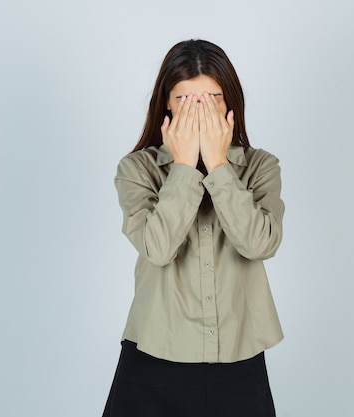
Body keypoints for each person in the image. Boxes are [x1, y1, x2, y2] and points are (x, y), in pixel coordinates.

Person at [102, 39, 285, 417]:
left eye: (211, 97)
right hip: (154, 356)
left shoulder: (260, 167)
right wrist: (184, 168)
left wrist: (219, 166)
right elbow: (157, 248)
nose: (198, 111)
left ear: (229, 102)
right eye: (186, 100)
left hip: (239, 358)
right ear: (166, 103)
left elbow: (260, 244)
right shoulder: (137, 170)